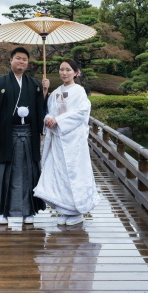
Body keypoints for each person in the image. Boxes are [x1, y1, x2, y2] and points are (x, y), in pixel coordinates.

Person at [0, 46, 48, 224]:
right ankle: (2, 211)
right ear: (10, 61)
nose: (21, 62)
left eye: (24, 59)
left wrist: (44, 92)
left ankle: (28, 211)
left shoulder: (34, 85)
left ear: (27, 63)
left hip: (29, 135)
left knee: (29, 171)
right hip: (6, 135)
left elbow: (41, 109)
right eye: (18, 58)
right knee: (5, 171)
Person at [34, 59, 100, 226]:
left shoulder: (79, 91)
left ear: (76, 73)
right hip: (58, 140)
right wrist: (49, 118)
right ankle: (65, 210)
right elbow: (49, 111)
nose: (64, 73)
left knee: (74, 174)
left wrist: (59, 120)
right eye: (61, 69)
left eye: (68, 70)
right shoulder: (56, 92)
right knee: (60, 174)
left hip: (73, 141)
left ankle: (77, 212)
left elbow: (81, 112)